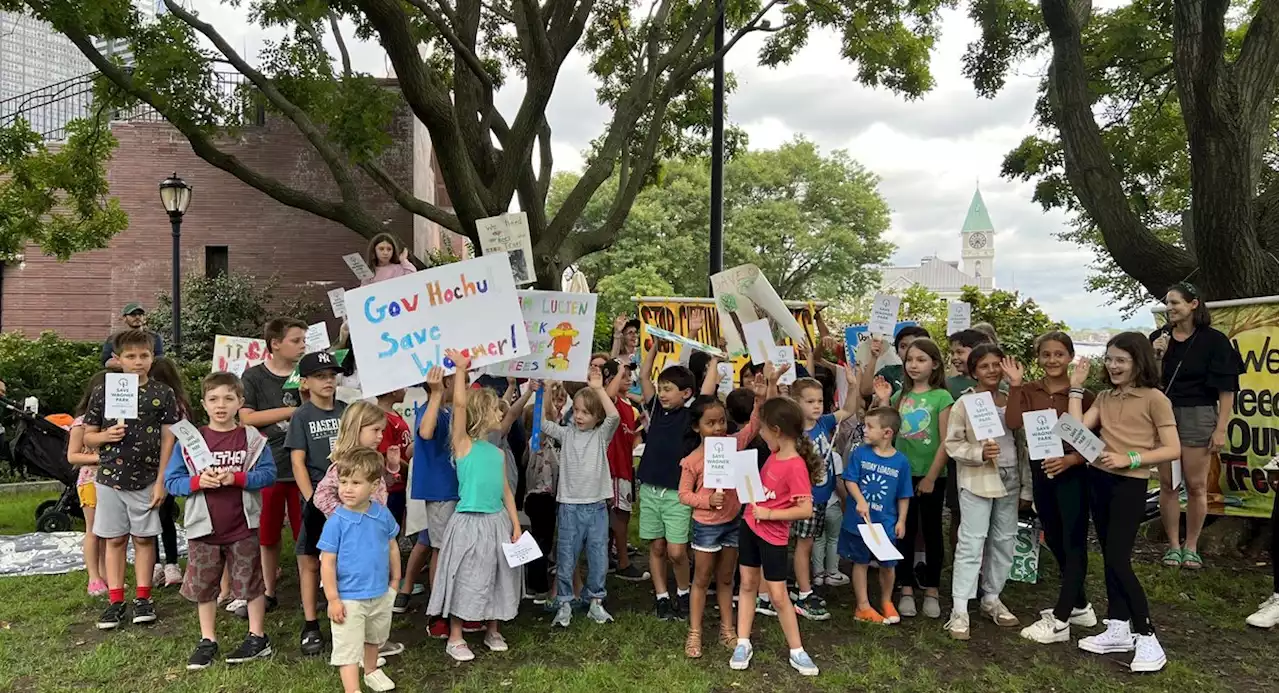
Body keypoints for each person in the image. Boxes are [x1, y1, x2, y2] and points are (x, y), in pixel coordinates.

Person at [1068, 333, 1181, 672]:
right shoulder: (1103, 396)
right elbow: (1074, 430)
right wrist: (1076, 388)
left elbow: (1173, 449)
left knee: (1118, 559)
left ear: (1138, 362)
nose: (1113, 365)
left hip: (1129, 485)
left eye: (1121, 360)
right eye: (1109, 358)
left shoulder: (1155, 398)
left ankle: (1147, 636)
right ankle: (1117, 626)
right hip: (1098, 481)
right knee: (1108, 555)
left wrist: (1130, 459)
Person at [164, 372, 276, 669]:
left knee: (251, 583)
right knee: (205, 586)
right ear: (204, 404)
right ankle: (208, 639)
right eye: (213, 399)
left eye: (229, 398)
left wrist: (236, 478)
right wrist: (198, 482)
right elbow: (172, 482)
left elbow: (268, 475)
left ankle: (257, 636)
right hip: (204, 527)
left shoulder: (252, 439)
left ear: (241, 402)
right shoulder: (190, 441)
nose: (221, 405)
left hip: (243, 525)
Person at [427, 350, 524, 662]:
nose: (502, 415)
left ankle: (492, 628)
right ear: (482, 414)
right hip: (468, 521)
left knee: (498, 574)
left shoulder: (496, 454)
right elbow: (458, 405)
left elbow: (506, 491)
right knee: (466, 576)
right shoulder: (463, 444)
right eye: (497, 411)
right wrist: (459, 370)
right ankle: (455, 635)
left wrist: (516, 524)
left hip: (496, 521)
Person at [1005, 332, 1099, 644]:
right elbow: (1015, 422)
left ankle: (1061, 616)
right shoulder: (1031, 389)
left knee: (1073, 542)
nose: (1052, 360)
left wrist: (1071, 460)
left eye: (1059, 354)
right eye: (1046, 354)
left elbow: (1094, 441)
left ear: (1070, 356)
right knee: (1055, 538)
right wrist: (1016, 386)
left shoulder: (1084, 395)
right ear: (1038, 358)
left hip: (1072, 473)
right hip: (1041, 470)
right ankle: (1081, 605)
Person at [83, 329, 180, 630]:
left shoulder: (163, 394)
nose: (138, 362)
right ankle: (115, 600)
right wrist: (104, 435)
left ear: (153, 358)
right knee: (114, 538)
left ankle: (143, 597)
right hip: (110, 477)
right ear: (118, 359)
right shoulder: (104, 391)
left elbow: (169, 438)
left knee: (143, 537)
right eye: (131, 356)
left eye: (144, 356)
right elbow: (87, 434)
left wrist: (163, 479)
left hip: (147, 478)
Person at [1150, 282, 1244, 570]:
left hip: (1199, 414)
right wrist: (1156, 356)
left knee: (1196, 485)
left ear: (1193, 304)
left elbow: (1227, 389)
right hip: (1163, 415)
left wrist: (1220, 428)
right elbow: (1149, 383)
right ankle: (1173, 546)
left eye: (1175, 303)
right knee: (1167, 484)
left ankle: (1192, 545)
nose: (1169, 308)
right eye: (1167, 303)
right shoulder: (1158, 339)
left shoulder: (1214, 341)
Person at [678, 369, 770, 658]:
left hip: (732, 522)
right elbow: (684, 495)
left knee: (727, 579)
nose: (718, 428)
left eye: (721, 422)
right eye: (710, 423)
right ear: (697, 427)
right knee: (702, 579)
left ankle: (728, 629)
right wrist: (707, 500)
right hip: (706, 526)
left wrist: (759, 398)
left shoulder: (733, 444)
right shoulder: (692, 460)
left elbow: (753, 426)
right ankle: (694, 632)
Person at [942, 344, 1031, 640]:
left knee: (1005, 539)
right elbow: (953, 444)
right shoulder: (965, 404)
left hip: (1010, 477)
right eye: (984, 366)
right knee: (972, 540)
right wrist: (979, 451)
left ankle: (991, 597)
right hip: (978, 477)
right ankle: (960, 608)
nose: (992, 371)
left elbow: (1023, 441)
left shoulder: (1012, 398)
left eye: (996, 364)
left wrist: (1026, 486)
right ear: (973, 371)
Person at [730, 397, 821, 677]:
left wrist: (768, 515)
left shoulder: (794, 465)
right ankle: (742, 642)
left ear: (777, 430)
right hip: (750, 528)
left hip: (773, 537)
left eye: (763, 429)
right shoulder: (773, 454)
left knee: (779, 596)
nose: (760, 433)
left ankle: (797, 650)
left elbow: (805, 508)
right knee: (747, 584)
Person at [636, 327, 718, 621]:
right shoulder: (656, 408)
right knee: (657, 546)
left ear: (686, 394)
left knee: (677, 551)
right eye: (661, 388)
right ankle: (661, 597)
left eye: (669, 388)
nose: (662, 392)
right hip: (650, 489)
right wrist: (655, 349)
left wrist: (715, 360)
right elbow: (645, 377)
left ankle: (683, 592)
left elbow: (706, 391)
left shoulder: (691, 415)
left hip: (677, 493)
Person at [871, 338, 953, 620]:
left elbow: (946, 441)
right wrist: (883, 400)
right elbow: (885, 427)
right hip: (901, 475)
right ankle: (905, 588)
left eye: (921, 360)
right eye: (910, 360)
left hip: (931, 475)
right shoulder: (900, 397)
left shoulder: (942, 397)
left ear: (935, 364)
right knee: (902, 530)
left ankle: (931, 589)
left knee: (931, 532)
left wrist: (931, 476)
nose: (914, 365)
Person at [542, 365, 622, 628]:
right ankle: (565, 602)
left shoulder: (601, 436)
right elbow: (543, 424)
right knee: (566, 555)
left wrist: (599, 389)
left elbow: (615, 418)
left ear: (596, 416)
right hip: (569, 507)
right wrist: (544, 390)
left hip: (596, 506)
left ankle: (596, 601)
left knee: (598, 555)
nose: (578, 416)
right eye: (576, 410)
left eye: (585, 412)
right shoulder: (565, 434)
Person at [318, 447, 401, 693]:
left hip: (380, 592)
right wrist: (333, 598)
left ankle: (372, 670)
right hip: (349, 597)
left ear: (374, 486)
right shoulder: (336, 522)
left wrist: (395, 580)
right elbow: (327, 562)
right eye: (343, 482)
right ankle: (352, 689)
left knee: (375, 637)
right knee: (348, 648)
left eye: (355, 482)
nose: (347, 488)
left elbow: (392, 546)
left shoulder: (382, 514)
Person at [240, 317, 308, 615]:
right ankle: (268, 590)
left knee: (304, 532)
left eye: (304, 340)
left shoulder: (305, 374)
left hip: (302, 466)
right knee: (267, 534)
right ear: (275, 344)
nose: (302, 345)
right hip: (266, 466)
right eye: (296, 340)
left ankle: (310, 586)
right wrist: (294, 410)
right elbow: (246, 417)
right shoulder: (253, 377)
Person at [285, 351, 349, 656]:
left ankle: (347, 619)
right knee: (309, 560)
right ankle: (311, 624)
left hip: (349, 499)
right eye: (321, 376)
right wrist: (312, 498)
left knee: (347, 560)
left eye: (331, 376)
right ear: (306, 382)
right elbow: (297, 461)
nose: (328, 381)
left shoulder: (347, 411)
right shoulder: (302, 415)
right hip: (316, 500)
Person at [787, 362, 859, 622]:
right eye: (810, 401)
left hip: (820, 497)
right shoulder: (792, 431)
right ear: (796, 403)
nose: (817, 406)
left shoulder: (825, 422)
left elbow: (849, 410)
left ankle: (799, 586)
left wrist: (852, 385)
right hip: (804, 497)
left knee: (805, 543)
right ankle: (805, 593)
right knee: (803, 545)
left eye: (819, 401)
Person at [839, 407, 912, 624]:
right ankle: (862, 606)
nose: (865, 431)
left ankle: (886, 601)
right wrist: (860, 500)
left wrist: (901, 520)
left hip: (886, 524)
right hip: (859, 523)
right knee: (859, 562)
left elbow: (904, 494)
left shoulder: (901, 462)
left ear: (887, 433)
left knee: (888, 564)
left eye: (870, 427)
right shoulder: (860, 453)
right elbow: (850, 480)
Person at [68, 370, 115, 597]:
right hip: (90, 481)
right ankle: (94, 577)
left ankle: (107, 574)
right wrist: (100, 458)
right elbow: (73, 456)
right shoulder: (81, 423)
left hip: (114, 481)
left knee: (108, 531)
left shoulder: (118, 421)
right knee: (93, 530)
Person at [600, 358, 647, 582]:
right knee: (620, 512)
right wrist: (617, 370)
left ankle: (609, 555)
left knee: (619, 512)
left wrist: (641, 427)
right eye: (623, 375)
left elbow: (631, 436)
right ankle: (623, 562)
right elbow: (607, 394)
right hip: (613, 465)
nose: (628, 379)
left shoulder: (627, 405)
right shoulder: (609, 401)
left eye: (629, 375)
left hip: (625, 463)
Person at [149, 357, 193, 588]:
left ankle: (165, 563)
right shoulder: (181, 403)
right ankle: (162, 563)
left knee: (160, 514)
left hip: (165, 463)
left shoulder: (171, 403)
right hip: (166, 464)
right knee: (158, 515)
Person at [521, 381, 566, 602]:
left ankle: (533, 584)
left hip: (541, 497)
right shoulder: (538, 440)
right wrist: (545, 391)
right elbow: (547, 416)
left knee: (542, 539)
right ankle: (537, 587)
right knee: (541, 542)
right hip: (541, 497)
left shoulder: (541, 442)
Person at [857, 325, 931, 398]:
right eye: (903, 346)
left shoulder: (935, 375)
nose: (909, 350)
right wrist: (874, 357)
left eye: (915, 345)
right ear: (897, 351)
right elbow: (866, 390)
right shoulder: (889, 373)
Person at [101, 303, 164, 367]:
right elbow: (106, 362)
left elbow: (159, 360)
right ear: (124, 318)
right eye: (133, 314)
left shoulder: (154, 337)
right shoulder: (114, 339)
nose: (137, 317)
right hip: (122, 376)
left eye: (140, 314)